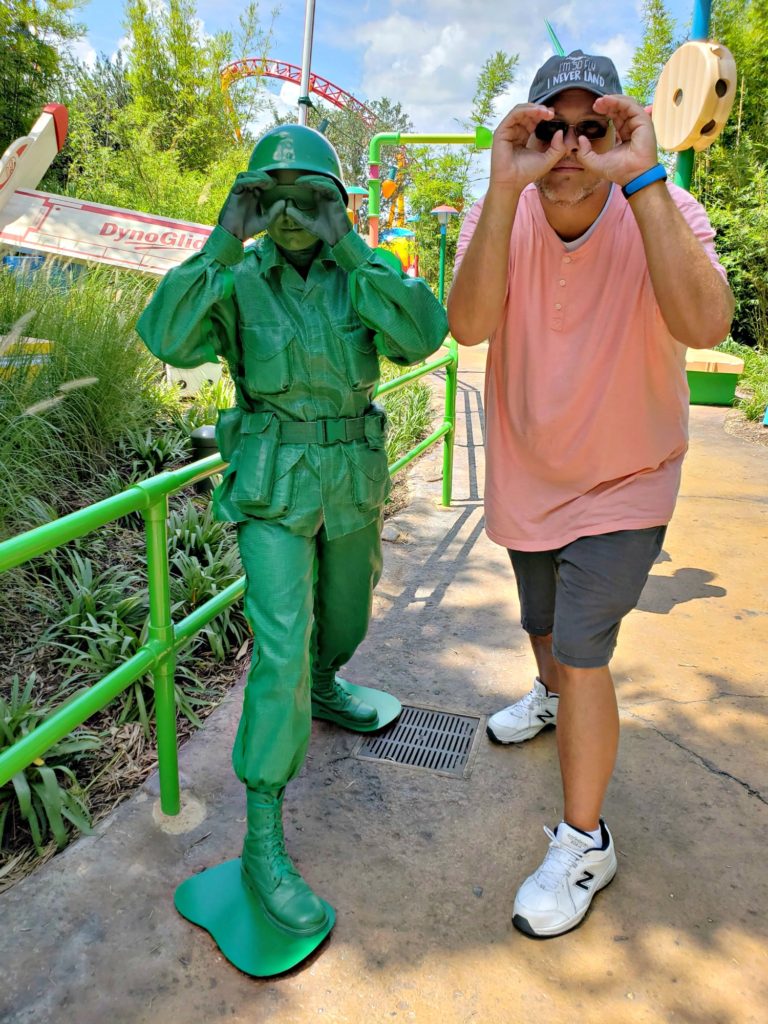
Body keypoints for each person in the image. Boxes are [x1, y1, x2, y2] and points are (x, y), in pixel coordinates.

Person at [447, 50, 733, 938]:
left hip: (628, 474)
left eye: (592, 126)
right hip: (531, 466)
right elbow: (468, 323)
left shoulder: (665, 203)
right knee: (540, 623)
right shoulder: (501, 210)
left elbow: (706, 323)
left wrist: (640, 176)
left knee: (580, 645)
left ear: (621, 130)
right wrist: (504, 185)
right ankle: (549, 699)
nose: (570, 146)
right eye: (550, 126)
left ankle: (584, 841)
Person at [137, 124, 447, 938]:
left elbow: (424, 332)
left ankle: (326, 683)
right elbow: (165, 336)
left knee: (343, 618)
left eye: (308, 196)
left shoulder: (359, 276)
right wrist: (221, 237)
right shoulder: (237, 280)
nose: (289, 212)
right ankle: (262, 841)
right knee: (279, 647)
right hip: (272, 487)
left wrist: (352, 245)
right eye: (271, 196)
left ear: (336, 203)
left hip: (348, 481)